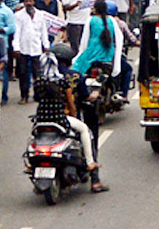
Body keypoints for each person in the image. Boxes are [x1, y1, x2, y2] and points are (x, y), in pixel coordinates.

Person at [32, 46, 107, 194]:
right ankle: (93, 173)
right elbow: (75, 101)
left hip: (40, 119)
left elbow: (37, 98)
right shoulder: (70, 78)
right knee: (86, 131)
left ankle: (32, 165)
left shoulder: (39, 80)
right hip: (62, 118)